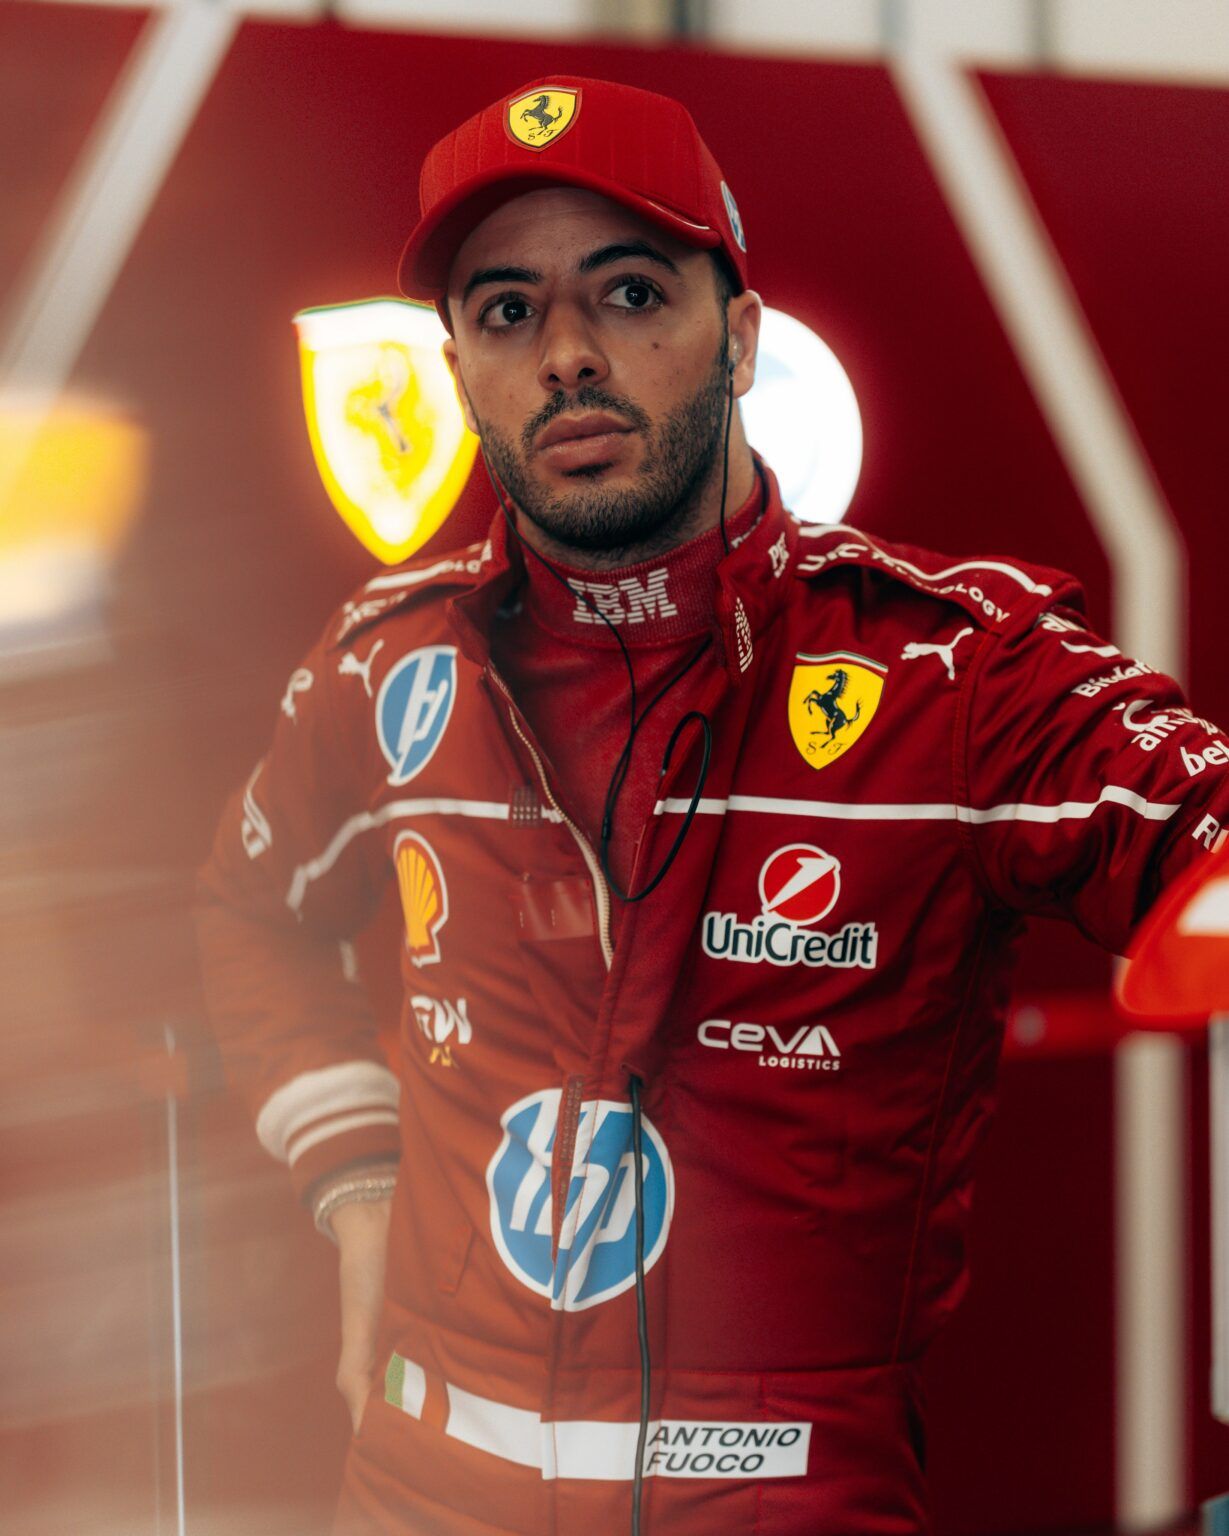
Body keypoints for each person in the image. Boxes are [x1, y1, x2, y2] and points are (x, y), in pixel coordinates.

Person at [196, 75, 1229, 1536]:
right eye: (507, 312)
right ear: (459, 367)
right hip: (418, 1491)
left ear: (740, 338)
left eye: (628, 294)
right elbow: (249, 911)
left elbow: (1202, 831)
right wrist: (355, 1178)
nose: (566, 356)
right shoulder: (388, 667)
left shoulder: (951, 674)